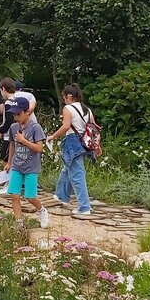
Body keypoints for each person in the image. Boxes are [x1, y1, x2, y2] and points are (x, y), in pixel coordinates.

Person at [47, 84, 95, 216]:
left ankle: (84, 207)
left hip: (72, 141)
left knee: (77, 174)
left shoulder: (68, 108)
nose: (64, 101)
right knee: (67, 168)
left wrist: (53, 136)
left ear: (69, 97)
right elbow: (93, 127)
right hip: (84, 142)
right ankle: (61, 195)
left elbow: (66, 126)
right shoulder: (87, 110)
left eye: (64, 98)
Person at [4, 97, 49, 229]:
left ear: (27, 112)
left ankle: (42, 210)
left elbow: (39, 148)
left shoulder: (35, 127)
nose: (16, 117)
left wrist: (24, 141)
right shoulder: (13, 127)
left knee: (30, 196)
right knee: (14, 195)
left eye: (19, 114)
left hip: (31, 167)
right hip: (17, 165)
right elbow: (12, 145)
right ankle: (19, 222)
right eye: (14, 114)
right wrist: (9, 162)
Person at [0, 77, 37, 194]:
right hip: (25, 131)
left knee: (7, 157)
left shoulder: (9, 102)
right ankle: (16, 184)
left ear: (3, 89)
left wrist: (1, 130)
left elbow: (9, 120)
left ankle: (8, 184)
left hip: (13, 134)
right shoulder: (21, 97)